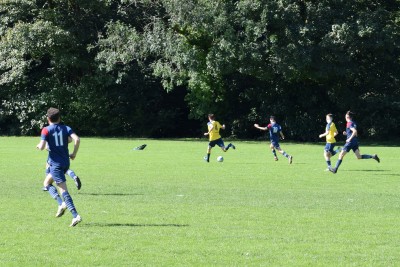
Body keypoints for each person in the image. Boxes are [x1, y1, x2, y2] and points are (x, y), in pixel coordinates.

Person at [36, 107, 82, 227]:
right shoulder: (66, 128)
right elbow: (76, 139)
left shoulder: (46, 130)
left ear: (48, 118)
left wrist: (38, 146)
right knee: (46, 183)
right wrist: (74, 154)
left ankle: (75, 215)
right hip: (65, 162)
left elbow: (41, 147)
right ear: (59, 118)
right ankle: (61, 204)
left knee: (63, 191)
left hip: (55, 165)